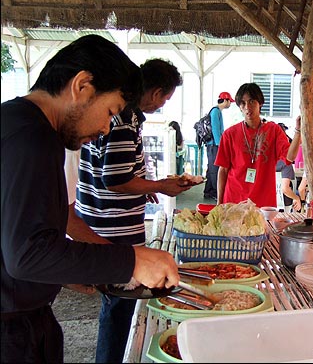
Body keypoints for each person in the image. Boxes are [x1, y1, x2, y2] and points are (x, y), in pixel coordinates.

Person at [1, 35, 182, 364]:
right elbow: (26, 254)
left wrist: (68, 271)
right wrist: (132, 261)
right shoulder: (32, 138)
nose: (103, 128)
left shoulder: (18, 124)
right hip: (11, 333)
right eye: (109, 111)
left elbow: (14, 235)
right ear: (82, 85)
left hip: (26, 317)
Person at [74, 58, 187, 363]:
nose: (162, 104)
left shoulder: (123, 117)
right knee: (119, 304)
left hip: (100, 218)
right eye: (165, 98)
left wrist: (145, 187)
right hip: (111, 229)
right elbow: (116, 179)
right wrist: (158, 186)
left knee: (116, 302)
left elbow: (116, 173)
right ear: (155, 92)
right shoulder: (124, 119)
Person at [215, 82, 301, 207]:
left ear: (260, 103)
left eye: (251, 102)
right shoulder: (229, 134)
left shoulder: (274, 130)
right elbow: (223, 170)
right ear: (239, 106)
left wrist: (298, 132)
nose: (247, 107)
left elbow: (290, 157)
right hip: (233, 201)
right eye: (243, 103)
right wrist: (219, 202)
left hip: (263, 204)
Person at [203, 91, 233, 200]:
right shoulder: (215, 112)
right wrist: (221, 146)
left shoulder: (217, 111)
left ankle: (208, 191)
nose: (230, 104)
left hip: (213, 144)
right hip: (214, 145)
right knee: (215, 169)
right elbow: (216, 130)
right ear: (225, 100)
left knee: (211, 167)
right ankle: (216, 192)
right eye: (230, 101)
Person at [276, 123, 301, 212]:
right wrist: (296, 198)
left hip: (261, 205)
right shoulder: (286, 163)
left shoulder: (260, 161)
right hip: (281, 207)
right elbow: (285, 189)